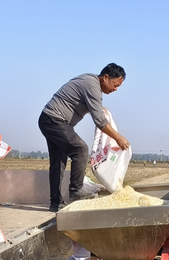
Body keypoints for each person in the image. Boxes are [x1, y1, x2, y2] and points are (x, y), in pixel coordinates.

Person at [38, 63, 131, 212]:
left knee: (58, 162)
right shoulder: (92, 85)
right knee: (80, 149)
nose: (115, 89)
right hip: (54, 120)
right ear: (105, 77)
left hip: (49, 119)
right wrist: (119, 138)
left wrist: (99, 109)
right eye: (115, 85)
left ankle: (56, 203)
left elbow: (94, 108)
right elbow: (100, 121)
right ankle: (76, 191)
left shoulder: (91, 83)